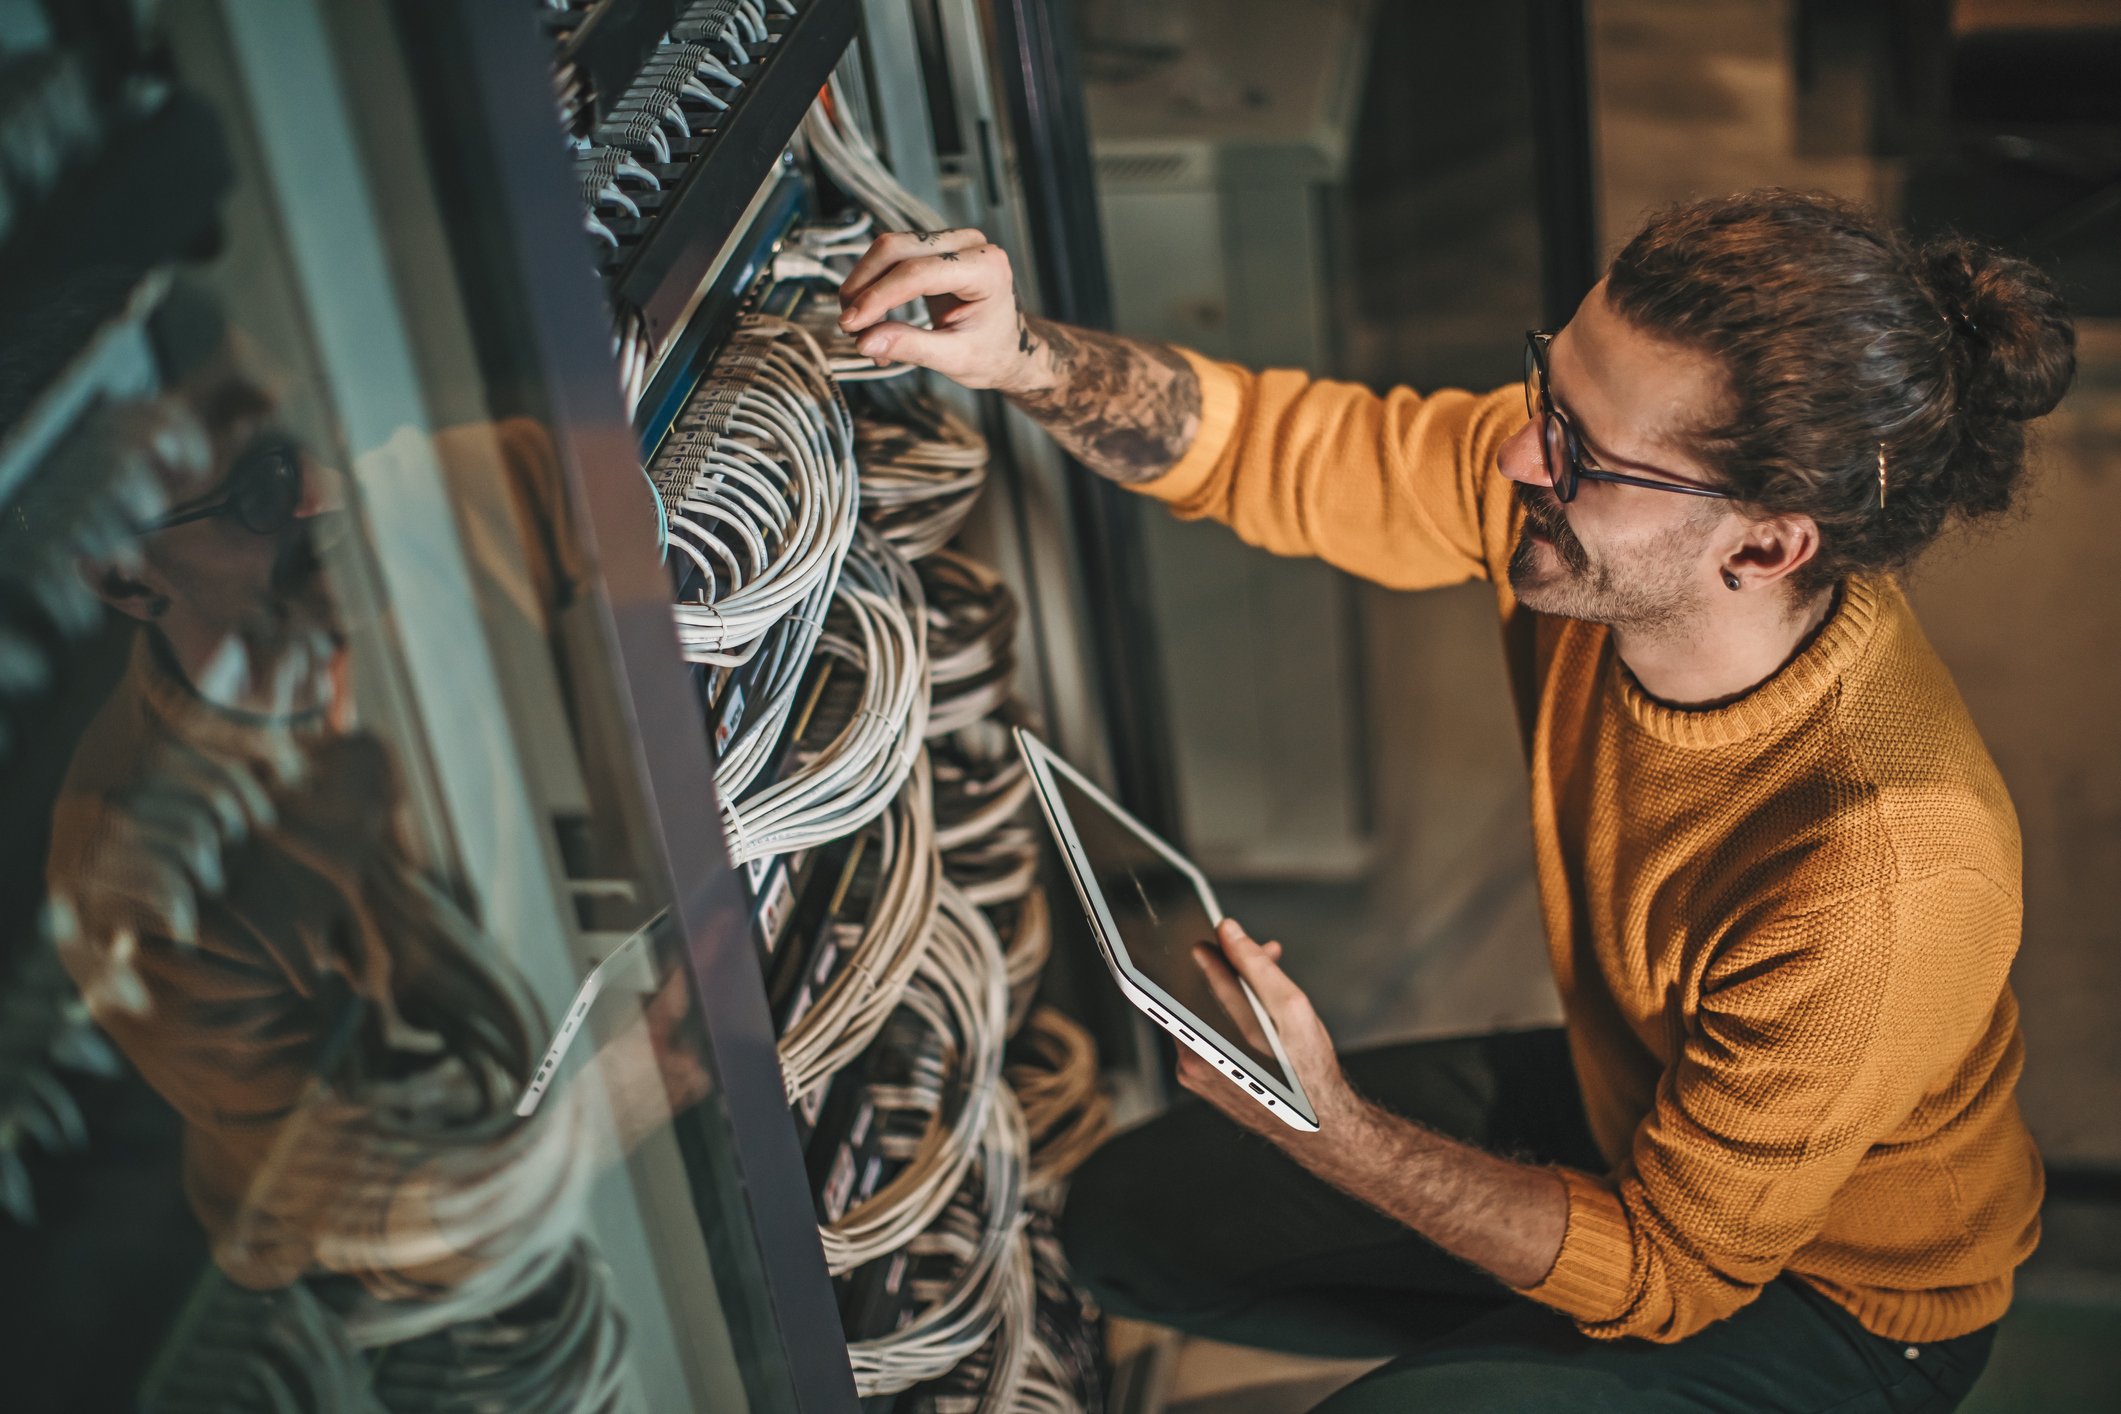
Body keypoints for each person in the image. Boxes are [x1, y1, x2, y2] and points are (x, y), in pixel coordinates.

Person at [834, 189, 2076, 1411]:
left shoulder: (1888, 866)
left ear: (1761, 547)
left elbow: (1667, 1272)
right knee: (1129, 1222)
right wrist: (1017, 354)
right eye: (1551, 388)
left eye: (1582, 453)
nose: (1516, 453)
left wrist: (1339, 1132)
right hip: (1640, 1107)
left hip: (1836, 1305)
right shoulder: (1611, 520)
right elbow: (1286, 449)